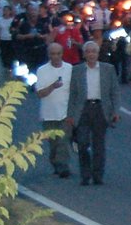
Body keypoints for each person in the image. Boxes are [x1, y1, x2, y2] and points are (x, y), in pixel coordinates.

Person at [65, 40, 120, 186]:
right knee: (82, 143)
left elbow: (114, 92)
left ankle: (97, 175)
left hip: (100, 109)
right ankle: (85, 174)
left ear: (97, 53)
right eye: (88, 51)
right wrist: (70, 115)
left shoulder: (108, 69)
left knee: (99, 144)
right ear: (84, 54)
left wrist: (115, 111)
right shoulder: (77, 70)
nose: (91, 54)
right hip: (83, 109)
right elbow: (73, 94)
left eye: (93, 51)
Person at [32, 42, 73, 178]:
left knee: (63, 140)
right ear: (49, 55)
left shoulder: (69, 69)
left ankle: (63, 166)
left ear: (62, 54)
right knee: (54, 142)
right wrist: (53, 87)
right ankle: (56, 163)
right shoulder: (42, 70)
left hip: (65, 112)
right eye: (53, 54)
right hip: (49, 114)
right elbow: (40, 93)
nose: (55, 57)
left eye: (58, 54)